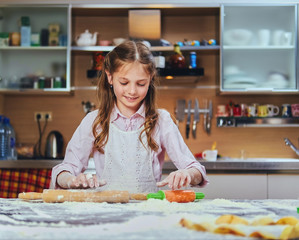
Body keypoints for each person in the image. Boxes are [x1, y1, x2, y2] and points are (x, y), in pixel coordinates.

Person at [51, 40, 208, 193]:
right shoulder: (94, 121)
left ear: (151, 79)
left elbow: (196, 170)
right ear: (110, 78)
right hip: (106, 213)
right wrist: (71, 180)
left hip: (148, 213)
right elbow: (66, 169)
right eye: (124, 83)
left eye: (140, 84)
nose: (132, 91)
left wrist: (187, 174)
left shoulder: (162, 120)